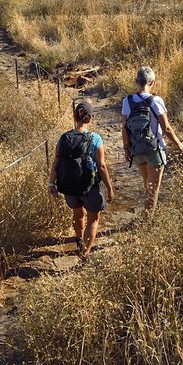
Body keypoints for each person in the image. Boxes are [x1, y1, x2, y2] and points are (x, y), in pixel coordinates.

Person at [48, 99, 115, 260]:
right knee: (93, 218)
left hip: (69, 186)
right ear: (90, 118)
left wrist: (51, 183)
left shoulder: (63, 138)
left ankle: (79, 240)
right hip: (89, 186)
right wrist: (109, 188)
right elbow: (102, 166)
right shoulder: (95, 138)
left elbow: (56, 162)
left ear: (74, 116)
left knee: (77, 213)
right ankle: (84, 253)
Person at [121, 66, 183, 212]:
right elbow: (167, 128)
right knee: (153, 188)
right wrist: (179, 144)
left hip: (137, 149)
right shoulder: (156, 101)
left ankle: (146, 213)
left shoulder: (127, 101)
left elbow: (124, 128)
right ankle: (148, 220)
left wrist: (126, 148)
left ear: (136, 81)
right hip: (154, 150)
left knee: (147, 184)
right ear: (152, 82)